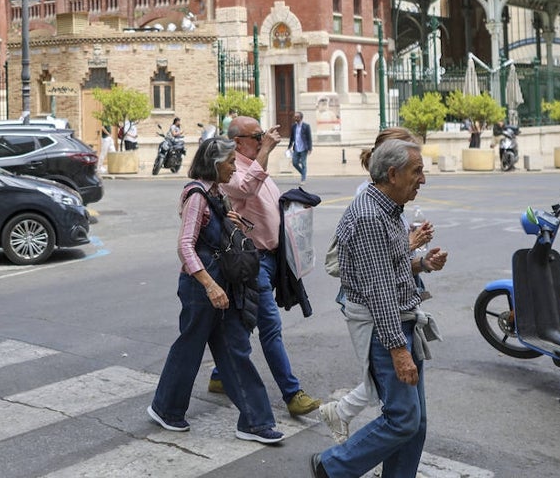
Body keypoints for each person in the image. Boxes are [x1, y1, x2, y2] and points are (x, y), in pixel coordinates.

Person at [310, 139, 444, 478]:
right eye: (417, 171)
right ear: (393, 173)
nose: (423, 179)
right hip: (386, 327)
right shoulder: (371, 215)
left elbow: (394, 267)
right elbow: (379, 289)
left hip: (401, 321)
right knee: (403, 419)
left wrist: (423, 265)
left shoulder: (387, 208)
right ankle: (332, 466)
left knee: (415, 420)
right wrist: (399, 350)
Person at [147, 137, 284, 445]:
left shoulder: (216, 192)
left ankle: (254, 421)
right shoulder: (196, 194)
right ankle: (167, 408)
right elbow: (185, 245)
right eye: (230, 162)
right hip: (203, 287)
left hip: (222, 285)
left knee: (233, 348)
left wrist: (232, 222)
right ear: (215, 163)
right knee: (192, 347)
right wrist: (209, 286)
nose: (234, 168)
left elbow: (214, 235)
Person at [209, 116, 321, 418]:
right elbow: (244, 191)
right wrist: (265, 151)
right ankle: (292, 393)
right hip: (253, 261)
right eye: (256, 136)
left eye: (262, 135)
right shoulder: (231, 170)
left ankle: (220, 374)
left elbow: (264, 199)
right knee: (270, 327)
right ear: (237, 141)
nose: (262, 140)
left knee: (246, 320)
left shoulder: (256, 165)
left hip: (272, 257)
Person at [288, 111, 313, 182]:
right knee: (294, 163)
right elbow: (292, 137)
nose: (295, 118)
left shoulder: (306, 126)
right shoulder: (293, 126)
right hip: (296, 148)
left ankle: (303, 179)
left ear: (300, 118)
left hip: (304, 148)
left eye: (296, 117)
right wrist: (289, 146)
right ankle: (303, 173)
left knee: (303, 163)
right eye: (295, 117)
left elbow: (309, 138)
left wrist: (310, 148)